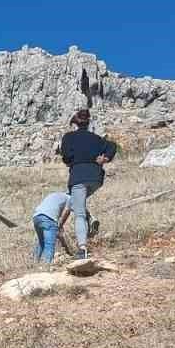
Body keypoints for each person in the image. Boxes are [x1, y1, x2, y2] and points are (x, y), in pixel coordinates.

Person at [56, 108, 119, 259]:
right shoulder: (96, 138)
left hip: (79, 177)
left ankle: (82, 249)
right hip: (96, 178)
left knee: (79, 214)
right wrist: (106, 158)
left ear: (74, 124)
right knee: (75, 201)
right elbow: (112, 146)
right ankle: (91, 219)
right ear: (88, 123)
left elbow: (66, 158)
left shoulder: (68, 137)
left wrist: (69, 158)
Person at [32, 189, 72, 264]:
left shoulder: (56, 194)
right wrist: (60, 225)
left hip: (36, 217)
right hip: (49, 218)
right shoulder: (70, 198)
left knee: (41, 242)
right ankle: (47, 265)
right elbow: (67, 211)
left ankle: (34, 263)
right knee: (49, 244)